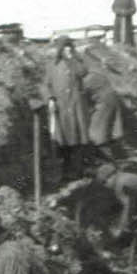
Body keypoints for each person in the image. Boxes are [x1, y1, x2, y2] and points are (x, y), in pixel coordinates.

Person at [43, 36, 95, 183]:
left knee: (77, 141)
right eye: (65, 47)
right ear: (60, 49)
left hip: (76, 107)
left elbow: (83, 72)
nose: (68, 49)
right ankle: (65, 173)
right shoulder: (52, 65)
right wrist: (50, 98)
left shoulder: (76, 62)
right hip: (61, 108)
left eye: (69, 46)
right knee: (63, 142)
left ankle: (76, 171)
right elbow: (45, 85)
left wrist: (72, 59)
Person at [92, 162, 137, 253]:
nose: (106, 185)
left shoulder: (120, 184)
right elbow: (134, 202)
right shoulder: (124, 177)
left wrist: (120, 228)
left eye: (104, 182)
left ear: (111, 176)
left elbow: (128, 207)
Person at [84, 68, 126, 159]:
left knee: (97, 133)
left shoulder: (87, 80)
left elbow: (83, 98)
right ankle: (120, 155)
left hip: (105, 103)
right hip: (112, 100)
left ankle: (108, 159)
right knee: (111, 131)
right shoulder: (95, 74)